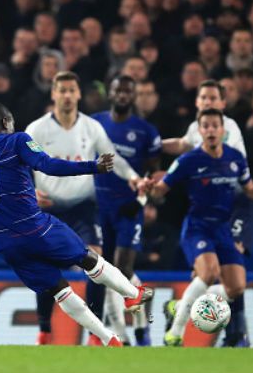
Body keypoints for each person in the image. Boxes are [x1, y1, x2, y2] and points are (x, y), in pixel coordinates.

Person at [0, 102, 153, 347]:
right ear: (6, 122)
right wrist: (93, 166)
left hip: (4, 241)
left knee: (59, 290)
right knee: (88, 257)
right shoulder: (17, 141)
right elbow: (48, 166)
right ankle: (132, 295)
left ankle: (107, 337)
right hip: (35, 227)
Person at [145, 108, 253, 347]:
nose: (210, 130)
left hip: (222, 229)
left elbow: (249, 188)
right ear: (199, 132)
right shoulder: (188, 160)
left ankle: (181, 306)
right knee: (208, 274)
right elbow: (161, 191)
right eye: (205, 126)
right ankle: (174, 334)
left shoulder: (235, 158)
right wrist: (151, 189)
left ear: (223, 130)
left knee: (236, 287)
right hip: (197, 227)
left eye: (214, 126)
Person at [25, 71, 141, 345]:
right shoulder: (36, 129)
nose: (66, 96)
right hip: (48, 208)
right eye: (61, 90)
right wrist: (30, 192)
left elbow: (112, 157)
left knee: (95, 260)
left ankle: (94, 332)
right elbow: (19, 164)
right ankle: (44, 329)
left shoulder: (91, 127)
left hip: (83, 207)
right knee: (46, 267)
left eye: (71, 90)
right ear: (53, 94)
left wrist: (134, 177)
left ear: (78, 94)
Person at [161, 79, 253, 346]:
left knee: (231, 270)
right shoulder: (197, 129)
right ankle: (230, 335)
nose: (207, 102)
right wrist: (155, 145)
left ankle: (232, 331)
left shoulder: (228, 129)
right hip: (211, 210)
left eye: (212, 98)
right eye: (203, 97)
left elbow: (237, 175)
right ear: (197, 103)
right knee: (207, 273)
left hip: (239, 203)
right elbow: (183, 145)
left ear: (222, 103)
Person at [91, 75, 161, 346]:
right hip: (99, 205)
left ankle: (142, 327)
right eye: (117, 89)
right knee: (103, 270)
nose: (122, 94)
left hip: (129, 207)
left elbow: (153, 175)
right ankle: (121, 334)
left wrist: (144, 201)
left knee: (123, 267)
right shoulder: (94, 123)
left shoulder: (146, 131)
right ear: (109, 92)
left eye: (127, 91)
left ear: (134, 96)